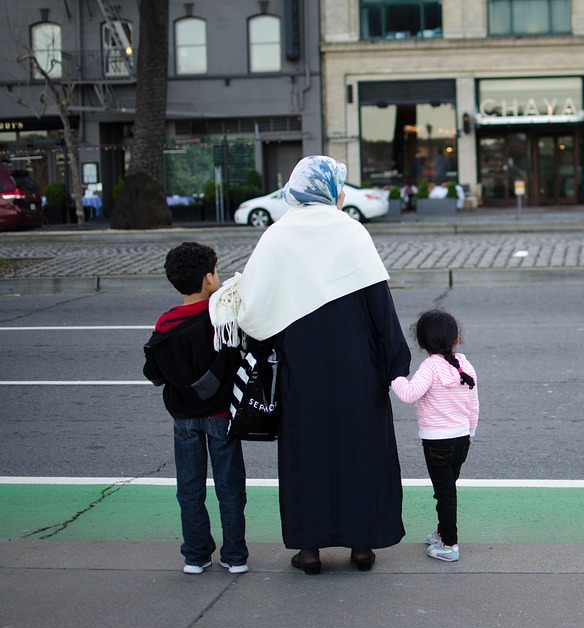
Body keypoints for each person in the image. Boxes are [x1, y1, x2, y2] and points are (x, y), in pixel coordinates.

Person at [209, 156, 411, 575]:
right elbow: (380, 305)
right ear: (331, 190)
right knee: (361, 453)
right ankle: (362, 546)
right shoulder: (351, 231)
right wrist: (395, 362)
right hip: (359, 369)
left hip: (301, 368)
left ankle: (309, 550)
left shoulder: (277, 236)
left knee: (307, 455)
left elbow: (255, 311)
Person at [143, 242, 247, 575]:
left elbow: (154, 373)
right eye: (216, 271)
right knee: (230, 488)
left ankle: (195, 555)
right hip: (221, 415)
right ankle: (234, 556)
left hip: (183, 418)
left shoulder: (165, 323)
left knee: (189, 487)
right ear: (208, 279)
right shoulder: (222, 319)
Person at [390, 309, 479, 562]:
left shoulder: (429, 367)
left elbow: (408, 394)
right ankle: (442, 531)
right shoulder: (465, 363)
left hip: (436, 443)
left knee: (445, 494)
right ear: (456, 339)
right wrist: (471, 431)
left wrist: (392, 376)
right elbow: (474, 403)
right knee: (447, 490)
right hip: (462, 440)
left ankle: (449, 545)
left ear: (421, 343)